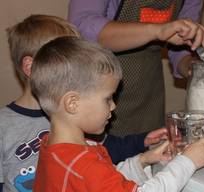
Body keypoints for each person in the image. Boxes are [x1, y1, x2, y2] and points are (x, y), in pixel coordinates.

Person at [0, 14, 167, 192]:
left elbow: (107, 148)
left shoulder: (77, 118)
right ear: (31, 67)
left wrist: (142, 141)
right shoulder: (5, 125)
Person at [31, 36, 204, 192]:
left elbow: (103, 181)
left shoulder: (55, 148)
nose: (113, 106)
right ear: (73, 103)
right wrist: (188, 162)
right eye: (107, 98)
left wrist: (142, 161)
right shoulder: (82, 163)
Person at [68, 0, 204, 137]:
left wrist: (195, 68)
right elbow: (82, 29)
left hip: (148, 100)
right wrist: (157, 31)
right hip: (94, 98)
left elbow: (181, 49)